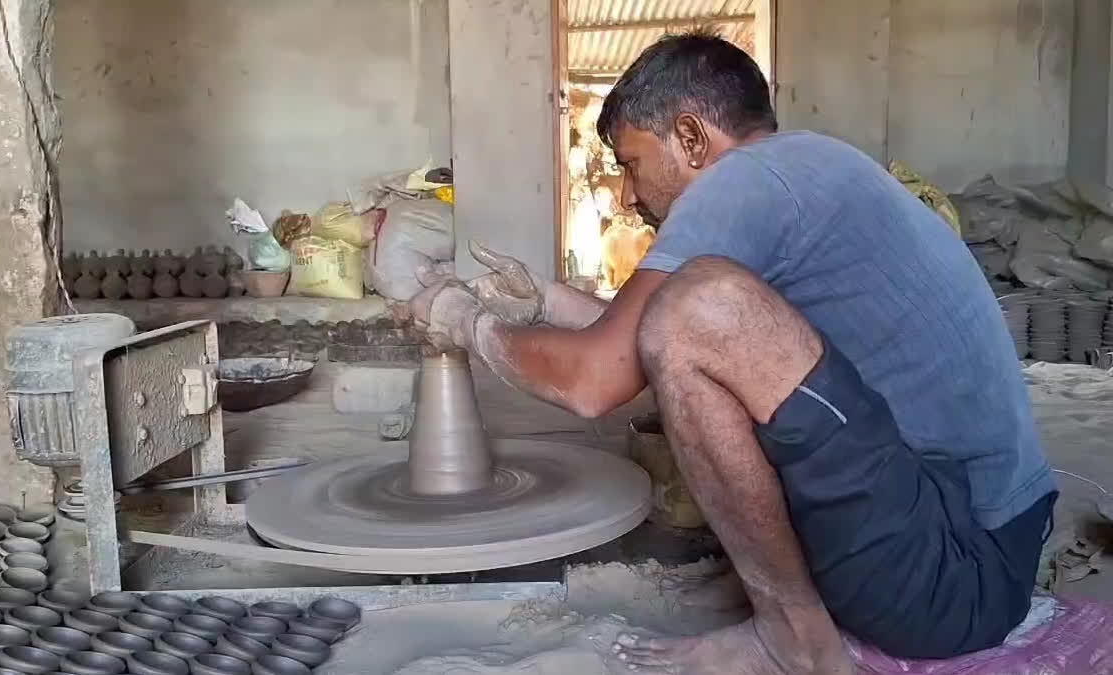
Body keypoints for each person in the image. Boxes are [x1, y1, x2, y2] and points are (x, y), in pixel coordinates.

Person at [409, 31, 1056, 675]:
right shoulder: (804, 167)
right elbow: (646, 347)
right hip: (986, 540)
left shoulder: (741, 183)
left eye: (632, 163)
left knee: (698, 305)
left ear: (691, 139)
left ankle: (791, 638)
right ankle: (790, 609)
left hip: (953, 573)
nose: (630, 197)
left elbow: (596, 381)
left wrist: (465, 322)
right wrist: (544, 302)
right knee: (692, 314)